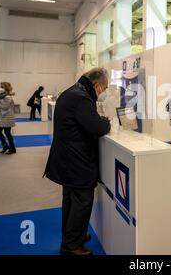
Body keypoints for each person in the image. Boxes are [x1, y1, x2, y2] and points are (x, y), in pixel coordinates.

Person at [44, 67, 111, 256]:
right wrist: (106, 122)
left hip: (67, 159)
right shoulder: (82, 98)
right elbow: (97, 127)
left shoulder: (73, 92)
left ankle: (73, 236)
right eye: (104, 88)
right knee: (81, 202)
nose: (104, 92)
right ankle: (72, 246)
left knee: (70, 201)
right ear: (97, 85)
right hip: (76, 161)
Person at [0, 82, 16, 155]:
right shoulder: (3, 96)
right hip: (4, 116)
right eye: (0, 87)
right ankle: (8, 146)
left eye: (2, 87)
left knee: (2, 131)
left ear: (6, 88)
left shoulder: (7, 97)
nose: (0, 88)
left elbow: (5, 107)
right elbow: (4, 105)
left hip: (7, 117)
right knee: (5, 132)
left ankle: (9, 147)